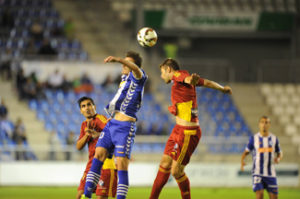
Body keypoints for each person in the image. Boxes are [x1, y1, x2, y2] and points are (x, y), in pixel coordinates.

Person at [149, 58, 232, 199]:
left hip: (188, 133)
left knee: (176, 171)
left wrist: (190, 80)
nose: (161, 75)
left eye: (162, 72)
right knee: (164, 163)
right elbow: (206, 82)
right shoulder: (179, 80)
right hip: (178, 129)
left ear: (168, 69)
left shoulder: (178, 75)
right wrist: (222, 88)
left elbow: (186, 79)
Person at [81, 51, 148, 199]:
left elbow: (136, 69)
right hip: (112, 124)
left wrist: (118, 59)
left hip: (125, 127)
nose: (123, 64)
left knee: (121, 165)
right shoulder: (124, 79)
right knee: (98, 154)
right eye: (123, 62)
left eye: (127, 62)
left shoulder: (139, 77)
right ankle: (87, 195)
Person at [77, 96, 118, 199]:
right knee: (80, 194)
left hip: (104, 164)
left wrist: (98, 134)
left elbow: (113, 135)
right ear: (81, 111)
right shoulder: (84, 125)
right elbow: (78, 146)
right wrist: (87, 135)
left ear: (94, 106)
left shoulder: (100, 119)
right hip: (91, 165)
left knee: (100, 197)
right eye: (83, 106)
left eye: (89, 105)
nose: (87, 108)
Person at [241, 116, 283, 199]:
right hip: (257, 172)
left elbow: (280, 153)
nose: (264, 124)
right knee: (259, 195)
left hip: (270, 173)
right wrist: (242, 161)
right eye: (262, 122)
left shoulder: (274, 139)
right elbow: (246, 152)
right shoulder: (254, 138)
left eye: (266, 122)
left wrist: (278, 158)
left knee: (274, 197)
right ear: (259, 124)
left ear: (269, 124)